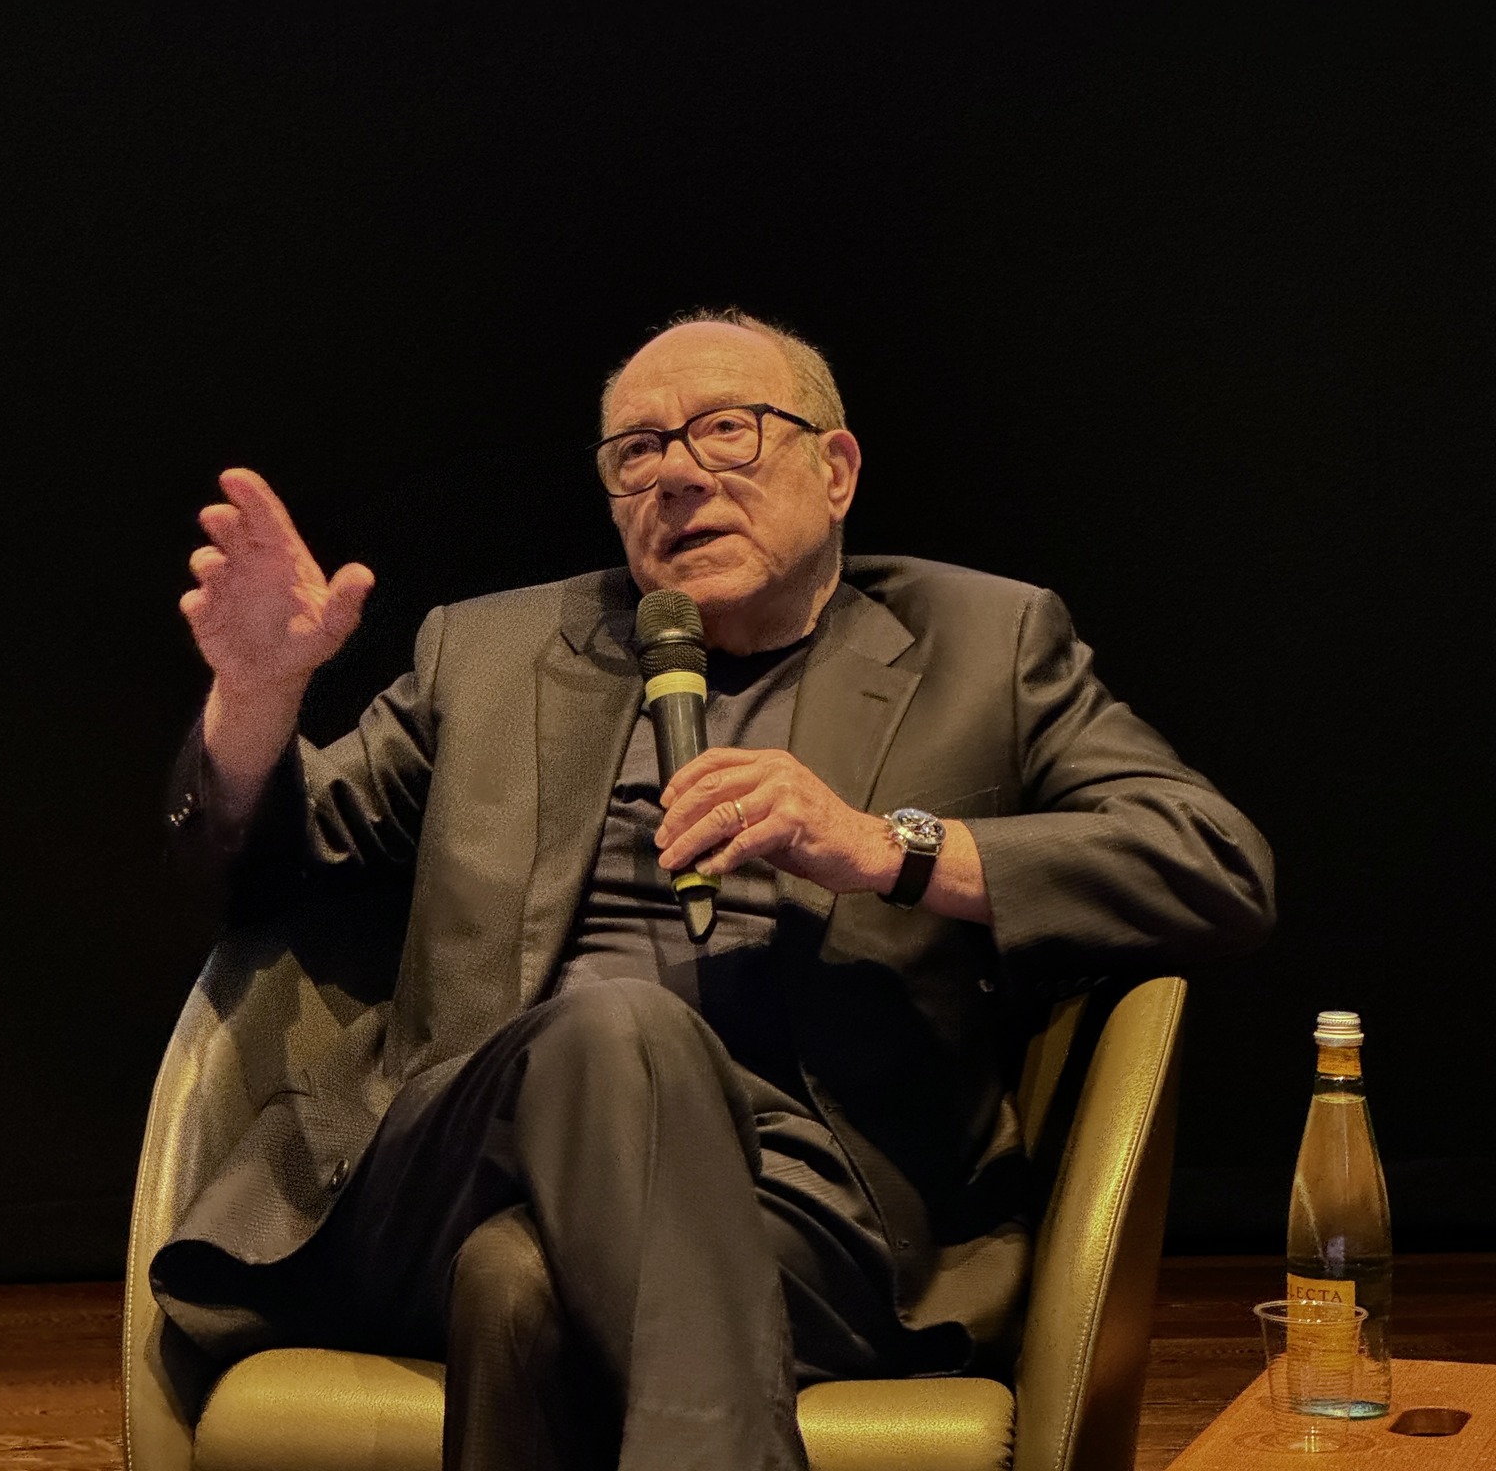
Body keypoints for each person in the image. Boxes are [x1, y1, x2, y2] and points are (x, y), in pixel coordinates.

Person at [153, 308, 1274, 1471]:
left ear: (834, 469)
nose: (678, 473)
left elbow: (1212, 861)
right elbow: (259, 868)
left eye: (727, 430)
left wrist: (882, 846)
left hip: (810, 1205)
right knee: (616, 1030)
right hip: (457, 1158)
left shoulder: (986, 644)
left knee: (520, 1285)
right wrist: (256, 698)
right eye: (638, 449)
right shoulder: (487, 653)